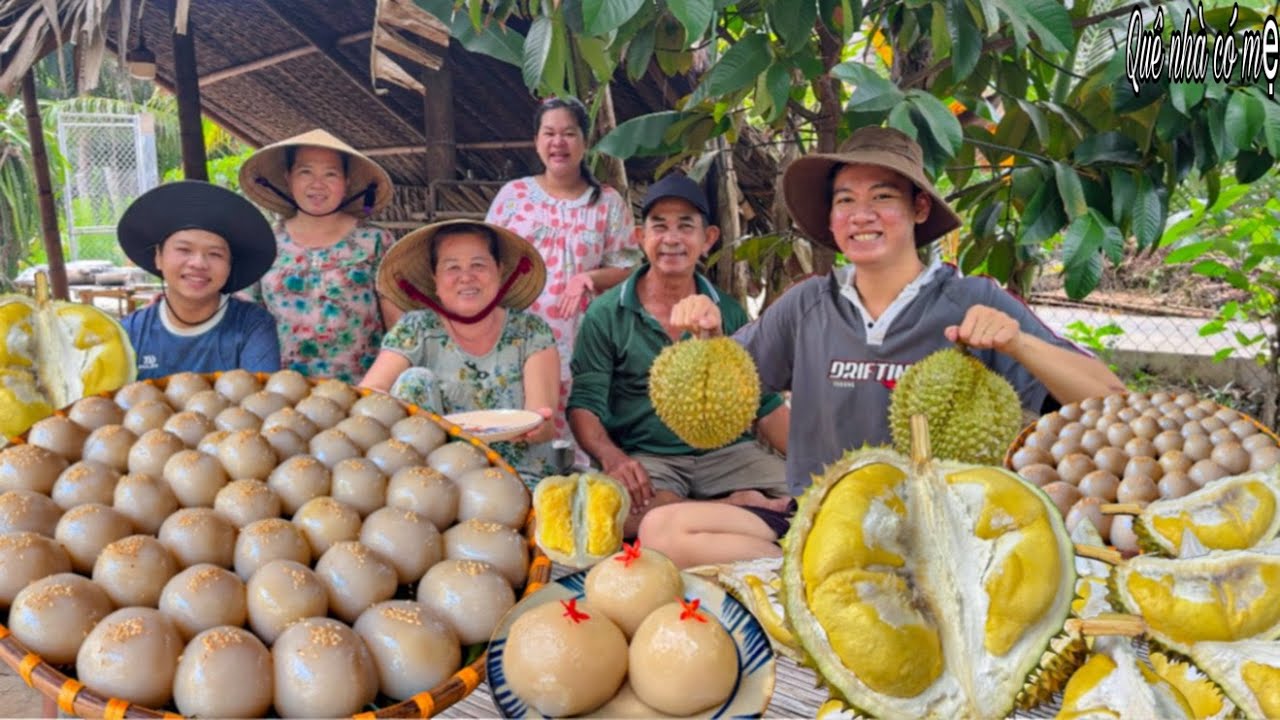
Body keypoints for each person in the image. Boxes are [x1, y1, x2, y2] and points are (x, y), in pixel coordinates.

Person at [640, 126, 1128, 568]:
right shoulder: (808, 303)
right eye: (845, 200)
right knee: (661, 530)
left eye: (882, 196)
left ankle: (827, 572)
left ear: (919, 209)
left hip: (931, 531)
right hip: (822, 516)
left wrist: (1018, 343)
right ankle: (812, 571)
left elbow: (1110, 398)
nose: (861, 215)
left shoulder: (970, 301)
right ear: (832, 218)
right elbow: (716, 407)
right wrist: (705, 339)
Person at [568, 174, 791, 537]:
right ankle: (735, 508)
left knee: (811, 496)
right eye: (659, 226)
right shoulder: (606, 314)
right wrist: (613, 458)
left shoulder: (727, 311)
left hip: (730, 456)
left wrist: (820, 466)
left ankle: (699, 513)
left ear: (708, 239)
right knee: (614, 518)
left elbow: (762, 403)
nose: (671, 239)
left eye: (686, 226)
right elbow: (584, 403)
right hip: (650, 458)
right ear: (640, 237)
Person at [486, 96, 641, 457]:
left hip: (582, 338)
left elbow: (629, 268)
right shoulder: (513, 196)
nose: (558, 142)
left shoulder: (606, 202)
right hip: (517, 335)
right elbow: (485, 260)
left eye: (569, 133)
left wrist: (590, 278)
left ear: (585, 142)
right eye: (549, 133)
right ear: (536, 140)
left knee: (578, 436)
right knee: (519, 429)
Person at [360, 220, 558, 486]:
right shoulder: (416, 328)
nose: (466, 277)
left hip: (517, 475)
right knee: (414, 380)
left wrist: (538, 426)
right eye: (452, 267)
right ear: (435, 279)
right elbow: (370, 395)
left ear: (499, 271)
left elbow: (542, 423)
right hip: (436, 481)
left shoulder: (531, 331)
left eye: (478, 265)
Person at [239, 129, 401, 383]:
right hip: (282, 393)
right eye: (306, 172)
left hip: (365, 391)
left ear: (346, 182)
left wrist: (379, 387)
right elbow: (247, 324)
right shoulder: (264, 244)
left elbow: (398, 329)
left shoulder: (375, 242)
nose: (317, 184)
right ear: (288, 178)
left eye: (330, 174)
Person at [117, 180, 280, 380]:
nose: (198, 263)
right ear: (158, 257)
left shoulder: (253, 326)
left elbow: (263, 395)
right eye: (184, 249)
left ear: (230, 265)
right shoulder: (130, 332)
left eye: (215, 254)